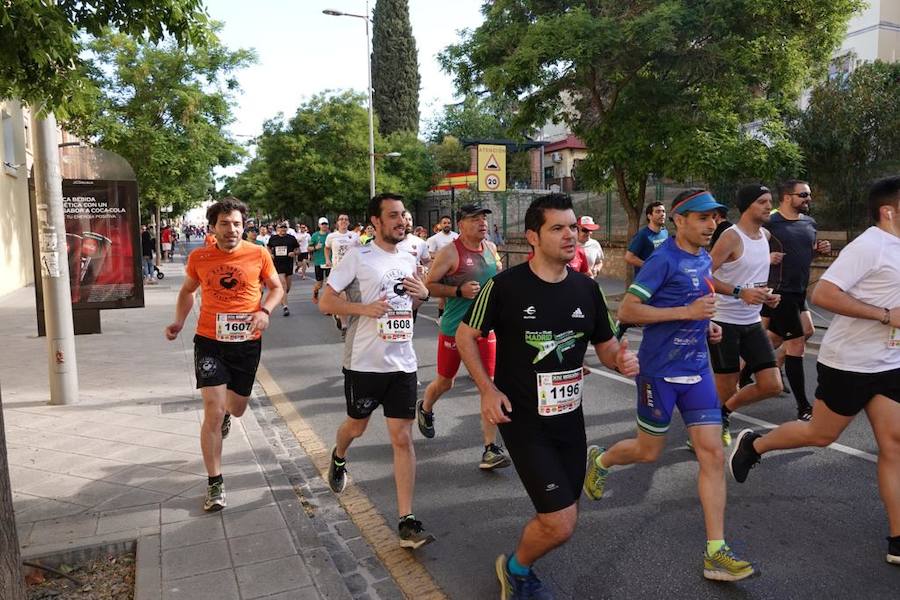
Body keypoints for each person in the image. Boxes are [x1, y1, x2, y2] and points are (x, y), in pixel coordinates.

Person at [456, 193, 637, 598]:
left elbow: (606, 346)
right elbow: (466, 336)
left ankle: (520, 562)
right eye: (558, 228)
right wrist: (487, 389)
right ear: (532, 237)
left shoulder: (586, 290)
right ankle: (516, 569)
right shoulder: (504, 287)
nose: (570, 234)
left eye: (572, 226)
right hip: (523, 419)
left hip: (570, 418)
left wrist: (620, 360)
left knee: (562, 513)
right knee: (561, 521)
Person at [585, 189, 758, 582]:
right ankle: (601, 461)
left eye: (714, 218)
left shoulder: (701, 259)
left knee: (711, 455)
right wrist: (687, 312)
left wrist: (706, 325)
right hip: (659, 373)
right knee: (648, 452)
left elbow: (697, 304)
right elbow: (628, 309)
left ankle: (716, 551)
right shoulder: (662, 259)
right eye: (703, 218)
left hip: (696, 371)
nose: (712, 225)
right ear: (679, 220)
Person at [730, 175, 900, 566]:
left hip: (890, 363)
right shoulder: (870, 245)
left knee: (893, 445)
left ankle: (897, 539)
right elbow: (823, 293)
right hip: (849, 363)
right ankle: (755, 444)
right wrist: (886, 315)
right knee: (821, 434)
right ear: (889, 211)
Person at [320, 193, 434, 549]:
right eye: (393, 216)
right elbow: (325, 301)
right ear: (375, 222)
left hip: (403, 362)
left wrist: (424, 293)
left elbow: (409, 300)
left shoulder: (411, 255)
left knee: (402, 438)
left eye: (404, 215)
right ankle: (339, 457)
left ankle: (406, 520)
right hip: (364, 362)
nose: (402, 221)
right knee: (357, 425)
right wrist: (362, 308)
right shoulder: (358, 256)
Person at [164, 197, 283, 511]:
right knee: (213, 411)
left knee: (237, 407)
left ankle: (230, 413)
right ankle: (215, 483)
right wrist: (178, 322)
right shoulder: (200, 257)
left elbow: (276, 288)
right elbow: (187, 291)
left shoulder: (258, 253)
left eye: (237, 224)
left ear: (244, 226)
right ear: (213, 227)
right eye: (225, 224)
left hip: (246, 343)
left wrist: (266, 311)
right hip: (209, 341)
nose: (232, 230)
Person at [417, 203, 511, 470]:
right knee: (445, 382)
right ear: (461, 224)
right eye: (475, 219)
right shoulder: (450, 253)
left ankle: (490, 449)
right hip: (455, 329)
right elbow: (429, 287)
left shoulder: (491, 249)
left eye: (484, 219)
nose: (482, 223)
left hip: (485, 329)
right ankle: (425, 406)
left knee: (488, 384)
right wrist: (458, 291)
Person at [707, 185, 783, 446]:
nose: (768, 206)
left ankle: (722, 413)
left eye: (769, 201)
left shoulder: (765, 235)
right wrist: (739, 292)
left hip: (751, 322)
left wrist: (767, 295)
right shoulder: (731, 237)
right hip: (724, 322)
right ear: (747, 206)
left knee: (772, 385)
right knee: (727, 387)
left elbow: (754, 278)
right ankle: (706, 430)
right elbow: (704, 276)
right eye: (762, 201)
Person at [756, 180, 831, 421]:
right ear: (787, 197)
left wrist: (818, 250)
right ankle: (803, 407)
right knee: (797, 344)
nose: (808, 199)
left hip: (798, 291)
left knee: (800, 332)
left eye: (808, 195)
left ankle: (753, 367)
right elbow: (749, 251)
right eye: (803, 195)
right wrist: (766, 257)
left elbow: (804, 251)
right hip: (780, 290)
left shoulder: (810, 223)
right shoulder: (770, 223)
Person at [325, 214, 361, 332]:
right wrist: (327, 259)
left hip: (352, 271)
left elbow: (359, 251)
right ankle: (345, 326)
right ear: (337, 223)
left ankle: (343, 317)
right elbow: (327, 248)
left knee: (355, 299)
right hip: (337, 271)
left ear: (349, 222)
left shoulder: (354, 236)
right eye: (341, 219)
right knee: (342, 299)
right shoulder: (332, 236)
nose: (344, 221)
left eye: (346, 219)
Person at [427, 215, 459, 320]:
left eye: (448, 223)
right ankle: (441, 316)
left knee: (455, 294)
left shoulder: (456, 236)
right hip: (442, 270)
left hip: (455, 269)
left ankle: (453, 315)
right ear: (440, 225)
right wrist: (444, 257)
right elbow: (430, 254)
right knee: (443, 295)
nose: (447, 225)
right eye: (444, 223)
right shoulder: (434, 239)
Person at [624, 201, 668, 277]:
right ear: (649, 216)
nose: (662, 214)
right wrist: (649, 266)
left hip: (661, 278)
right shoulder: (642, 235)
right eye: (658, 212)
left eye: (663, 211)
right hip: (646, 280)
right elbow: (629, 257)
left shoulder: (665, 232)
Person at [267, 222, 300, 316]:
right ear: (277, 229)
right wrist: (270, 254)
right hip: (277, 264)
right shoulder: (273, 238)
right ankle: (285, 307)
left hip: (288, 264)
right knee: (283, 284)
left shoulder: (291, 238)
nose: (283, 229)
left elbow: (298, 250)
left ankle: (282, 297)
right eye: (281, 228)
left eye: (284, 228)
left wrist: (294, 253)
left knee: (287, 287)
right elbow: (268, 247)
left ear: (287, 229)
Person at [310, 217, 330, 303]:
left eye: (325, 224)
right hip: (319, 262)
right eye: (322, 224)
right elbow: (309, 248)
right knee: (319, 284)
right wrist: (315, 247)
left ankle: (326, 302)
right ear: (319, 225)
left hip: (329, 262)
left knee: (328, 283)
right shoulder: (315, 236)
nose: (324, 226)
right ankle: (315, 292)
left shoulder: (331, 235)